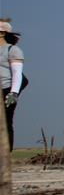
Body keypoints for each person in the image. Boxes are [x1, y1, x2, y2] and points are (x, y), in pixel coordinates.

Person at [0, 19, 25, 148]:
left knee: (5, 122)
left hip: (6, 90)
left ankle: (6, 153)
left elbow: (17, 74)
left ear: (2, 33)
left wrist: (13, 93)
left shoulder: (13, 50)